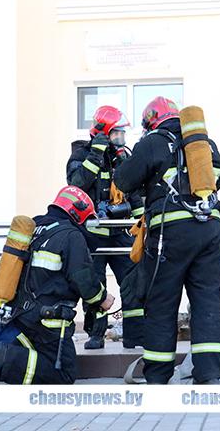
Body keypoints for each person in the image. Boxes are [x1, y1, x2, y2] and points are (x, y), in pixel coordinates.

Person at [114, 96, 220, 385]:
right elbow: (219, 178)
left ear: (151, 121)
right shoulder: (204, 144)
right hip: (209, 230)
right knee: (206, 301)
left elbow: (124, 181)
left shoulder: (152, 142)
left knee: (162, 302)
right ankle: (209, 372)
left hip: (170, 235)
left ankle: (159, 374)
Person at [0, 186, 116, 384]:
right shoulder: (71, 235)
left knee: (41, 360)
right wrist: (103, 298)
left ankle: (7, 357)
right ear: (76, 212)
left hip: (18, 315)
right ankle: (6, 359)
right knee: (65, 373)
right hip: (46, 323)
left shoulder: (35, 227)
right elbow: (83, 280)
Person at [66, 105, 144, 349]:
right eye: (117, 134)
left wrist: (142, 225)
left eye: (122, 134)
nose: (121, 139)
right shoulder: (81, 155)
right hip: (92, 235)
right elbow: (76, 184)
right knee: (95, 285)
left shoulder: (121, 159)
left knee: (133, 281)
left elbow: (136, 193)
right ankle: (96, 333)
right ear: (102, 133)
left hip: (120, 232)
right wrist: (96, 154)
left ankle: (135, 335)